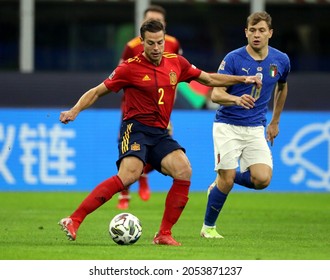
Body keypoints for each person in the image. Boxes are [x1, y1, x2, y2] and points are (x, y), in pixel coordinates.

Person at [58, 19, 261, 246]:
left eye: (160, 43)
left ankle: (164, 234)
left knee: (184, 170)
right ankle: (74, 219)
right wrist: (75, 110)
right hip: (135, 129)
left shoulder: (177, 63)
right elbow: (97, 92)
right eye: (151, 43)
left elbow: (210, 78)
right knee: (129, 176)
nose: (156, 48)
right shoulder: (129, 68)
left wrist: (243, 78)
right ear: (142, 42)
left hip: (160, 132)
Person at [200, 11, 290, 239]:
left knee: (262, 179)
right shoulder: (233, 59)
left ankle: (221, 179)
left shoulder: (281, 60)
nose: (256, 35)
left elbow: (282, 86)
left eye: (261, 30)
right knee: (227, 180)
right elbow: (216, 94)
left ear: (270, 33)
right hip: (227, 125)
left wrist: (275, 121)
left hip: (256, 127)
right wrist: (235, 99)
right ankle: (208, 228)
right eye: (252, 30)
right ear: (246, 32)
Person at [117, 4, 182, 209]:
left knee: (163, 148)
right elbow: (120, 72)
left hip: (161, 109)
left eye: (158, 21)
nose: (155, 47)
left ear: (164, 24)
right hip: (133, 109)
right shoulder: (132, 46)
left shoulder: (172, 44)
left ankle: (143, 175)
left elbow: (176, 78)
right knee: (128, 150)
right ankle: (124, 195)